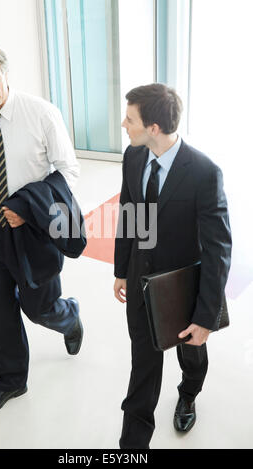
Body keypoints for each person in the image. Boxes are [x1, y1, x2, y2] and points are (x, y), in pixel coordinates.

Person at [0, 41, 83, 418]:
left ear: (5, 73)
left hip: (34, 231)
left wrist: (29, 209)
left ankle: (68, 316)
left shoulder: (41, 113)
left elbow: (69, 170)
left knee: (37, 307)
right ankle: (10, 381)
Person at [114, 83, 232, 449]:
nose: (123, 124)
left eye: (130, 119)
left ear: (153, 128)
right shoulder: (134, 157)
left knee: (191, 352)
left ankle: (189, 392)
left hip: (183, 287)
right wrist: (121, 269)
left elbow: (218, 249)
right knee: (143, 363)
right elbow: (129, 215)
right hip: (140, 278)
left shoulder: (203, 172)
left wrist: (205, 316)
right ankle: (133, 446)